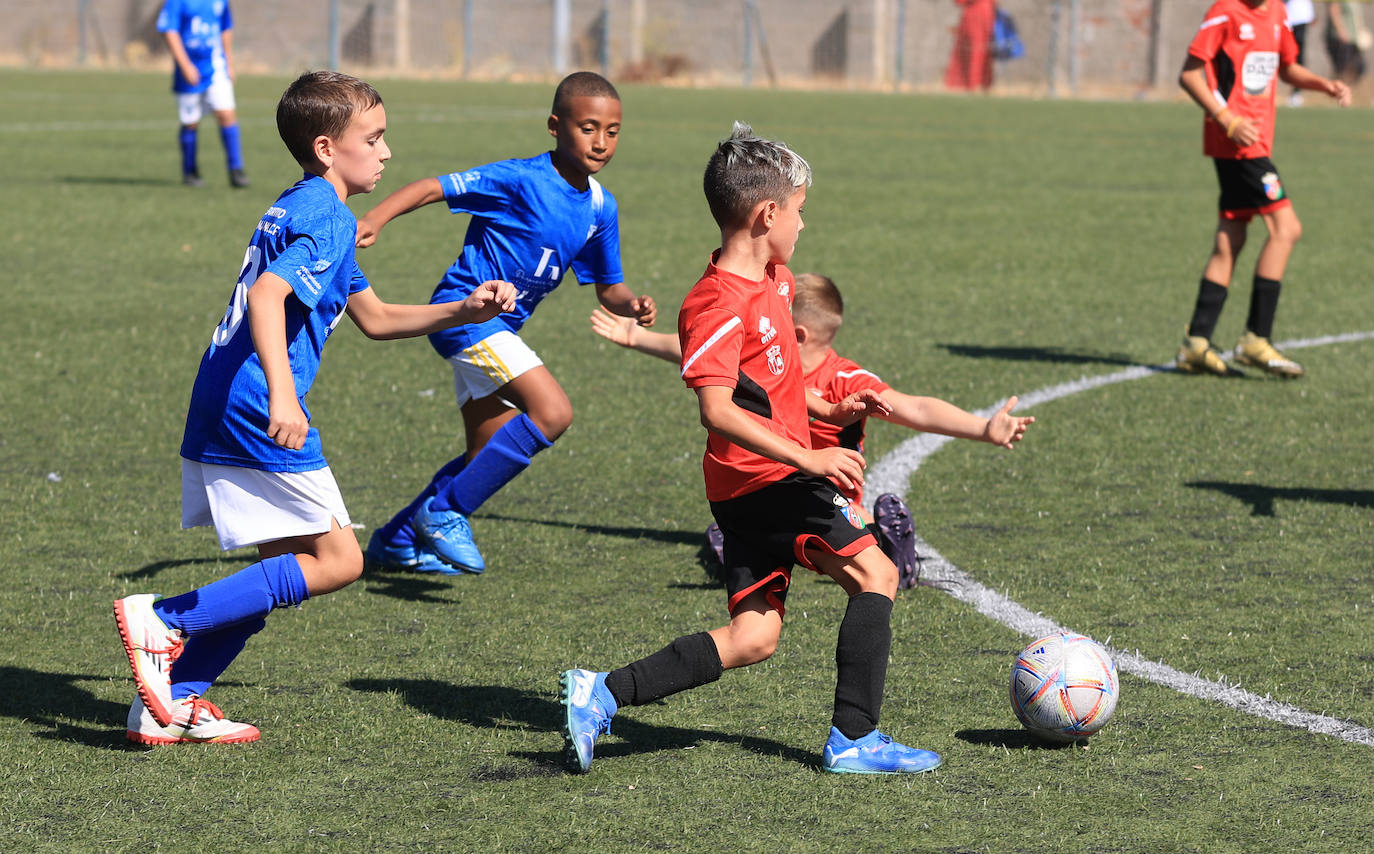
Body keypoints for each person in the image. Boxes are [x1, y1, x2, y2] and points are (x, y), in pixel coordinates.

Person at [562, 123, 987, 776]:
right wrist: (811, 458)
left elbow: (772, 382)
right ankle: (854, 739)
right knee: (877, 573)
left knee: (754, 638)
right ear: (767, 214)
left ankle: (604, 693)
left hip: (751, 485)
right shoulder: (716, 302)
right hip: (766, 479)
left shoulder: (777, 280)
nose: (802, 226)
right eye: (799, 212)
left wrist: (827, 411)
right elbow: (718, 407)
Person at [113, 71, 517, 746]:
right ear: (328, 147)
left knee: (280, 571)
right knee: (338, 561)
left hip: (222, 395)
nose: (387, 152)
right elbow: (270, 298)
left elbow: (378, 317)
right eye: (375, 137)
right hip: (255, 405)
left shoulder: (302, 204)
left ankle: (172, 699)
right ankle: (168, 621)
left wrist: (463, 308)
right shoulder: (327, 218)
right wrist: (281, 395)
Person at [355, 72, 656, 577]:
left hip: (499, 329)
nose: (601, 142)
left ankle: (396, 540)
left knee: (485, 451)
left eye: (612, 130)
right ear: (555, 127)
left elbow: (609, 285)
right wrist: (376, 219)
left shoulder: (602, 206)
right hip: (466, 313)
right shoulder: (522, 178)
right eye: (588, 128)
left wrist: (631, 305)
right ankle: (447, 513)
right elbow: (435, 187)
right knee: (553, 412)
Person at [588, 272, 1033, 589]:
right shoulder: (761, 362)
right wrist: (636, 339)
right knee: (749, 522)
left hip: (828, 498)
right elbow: (700, 350)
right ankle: (749, 544)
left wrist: (983, 428)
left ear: (793, 334)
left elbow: (914, 407)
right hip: (773, 489)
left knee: (842, 539)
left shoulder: (844, 379)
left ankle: (887, 545)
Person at [1175, 0, 1351, 378]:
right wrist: (1226, 118)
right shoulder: (1225, 11)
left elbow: (1286, 67)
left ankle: (1196, 343)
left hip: (1254, 140)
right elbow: (1189, 75)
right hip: (1238, 142)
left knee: (1231, 237)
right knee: (1286, 229)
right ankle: (1257, 338)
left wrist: (1323, 84)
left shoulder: (1277, 13)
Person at [157, 0, 249, 188]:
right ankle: (190, 171)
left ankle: (236, 170)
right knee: (190, 122)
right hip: (189, 71)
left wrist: (230, 63)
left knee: (226, 114)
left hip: (216, 67)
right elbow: (169, 30)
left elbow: (225, 28)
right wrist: (185, 66)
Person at [944, 0, 996, 91]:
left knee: (974, 51)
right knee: (981, 50)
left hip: (975, 16)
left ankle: (973, 84)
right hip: (986, 14)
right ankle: (982, 84)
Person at [1325, 1, 1369, 85]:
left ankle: (1350, 87)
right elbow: (1333, 12)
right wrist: (1341, 32)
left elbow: (1356, 16)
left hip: (1353, 38)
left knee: (1360, 66)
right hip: (1340, 38)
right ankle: (1336, 87)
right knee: (1341, 67)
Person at [1287, 0, 1316, 105]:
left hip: (1300, 18)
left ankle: (1296, 93)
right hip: (1285, 16)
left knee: (1298, 57)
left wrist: (1311, 13)